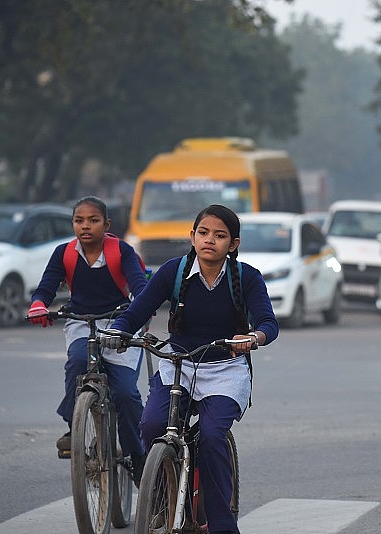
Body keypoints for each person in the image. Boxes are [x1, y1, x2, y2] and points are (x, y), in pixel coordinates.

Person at [107, 204, 279, 534]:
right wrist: (119, 330)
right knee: (152, 423)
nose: (209, 240)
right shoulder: (173, 271)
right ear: (192, 236)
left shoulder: (247, 278)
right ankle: (159, 500)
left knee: (213, 437)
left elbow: (268, 323)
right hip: (179, 365)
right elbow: (139, 309)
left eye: (219, 235)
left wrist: (253, 337)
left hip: (225, 369)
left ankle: (222, 526)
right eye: (203, 233)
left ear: (234, 244)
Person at [27, 196, 148, 485]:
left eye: (93, 220)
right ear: (73, 224)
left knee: (126, 395)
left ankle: (137, 455)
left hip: (121, 323)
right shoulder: (64, 253)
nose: (85, 226)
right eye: (79, 220)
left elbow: (139, 285)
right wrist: (38, 305)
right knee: (78, 362)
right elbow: (46, 286)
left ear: (106, 224)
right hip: (82, 321)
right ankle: (75, 426)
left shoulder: (122, 251)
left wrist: (143, 304)